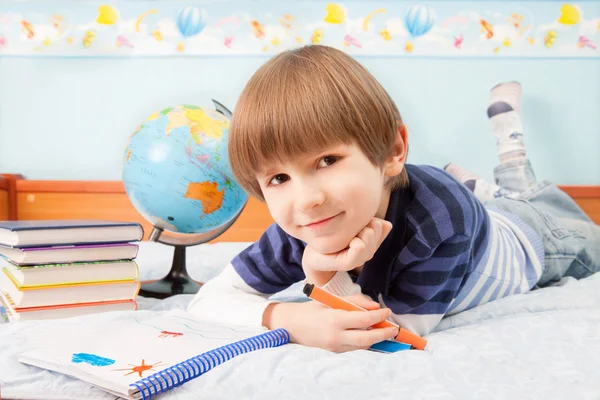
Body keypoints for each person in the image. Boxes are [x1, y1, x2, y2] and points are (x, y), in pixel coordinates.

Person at [188, 45, 600, 352]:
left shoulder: (440, 222)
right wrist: (288, 316)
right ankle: (480, 184)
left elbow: (393, 334)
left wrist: (321, 279)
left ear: (392, 151)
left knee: (571, 227)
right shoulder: (302, 225)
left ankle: (502, 153)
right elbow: (210, 299)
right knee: (491, 196)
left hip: (539, 239)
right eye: (278, 177)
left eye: (327, 160)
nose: (306, 199)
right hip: (472, 210)